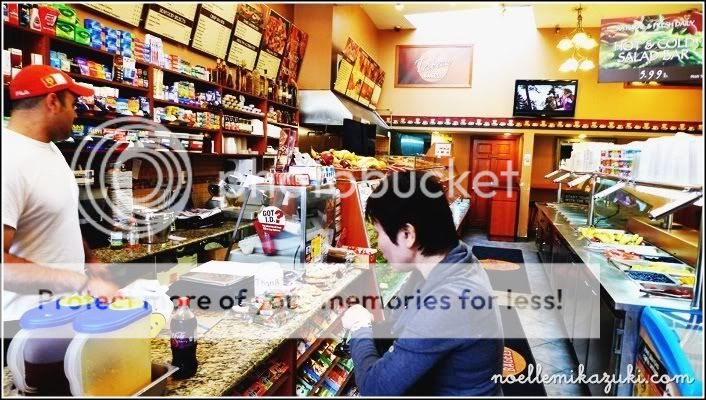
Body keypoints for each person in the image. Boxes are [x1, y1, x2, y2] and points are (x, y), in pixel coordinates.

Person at [341, 172, 504, 396]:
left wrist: (360, 327)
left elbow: (374, 389)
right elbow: (405, 330)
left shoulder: (452, 299)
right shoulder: (452, 260)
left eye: (379, 233)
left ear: (407, 234)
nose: (378, 245)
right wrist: (372, 327)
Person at [2, 66, 120, 359]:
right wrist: (78, 281)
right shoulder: (8, 161)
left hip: (64, 312)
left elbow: (62, 220)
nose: (77, 113)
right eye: (74, 104)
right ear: (53, 102)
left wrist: (91, 261)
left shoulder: (51, 150)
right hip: (24, 324)